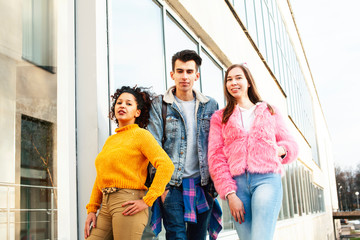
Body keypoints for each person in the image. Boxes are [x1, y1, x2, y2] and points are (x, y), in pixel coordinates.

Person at [208, 63, 299, 240]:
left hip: (267, 180)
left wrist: (281, 150)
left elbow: (291, 144)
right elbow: (216, 157)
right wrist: (229, 193)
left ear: (248, 82)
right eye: (229, 79)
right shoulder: (220, 117)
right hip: (237, 186)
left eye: (238, 78)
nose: (233, 82)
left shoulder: (269, 111)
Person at [147, 49, 221, 240]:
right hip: (172, 185)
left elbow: (217, 146)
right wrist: (161, 187)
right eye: (180, 71)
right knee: (176, 236)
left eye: (189, 72)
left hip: (202, 186)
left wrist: (214, 187)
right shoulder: (160, 104)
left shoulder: (211, 105)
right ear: (172, 74)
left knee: (198, 238)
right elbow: (153, 146)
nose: (184, 76)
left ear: (197, 75)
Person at [84, 86, 174, 240]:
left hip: (128, 202)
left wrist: (148, 200)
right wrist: (92, 209)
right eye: (119, 103)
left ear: (137, 112)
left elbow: (166, 165)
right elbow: (101, 177)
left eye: (128, 103)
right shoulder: (110, 141)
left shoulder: (141, 135)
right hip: (106, 204)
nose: (122, 106)